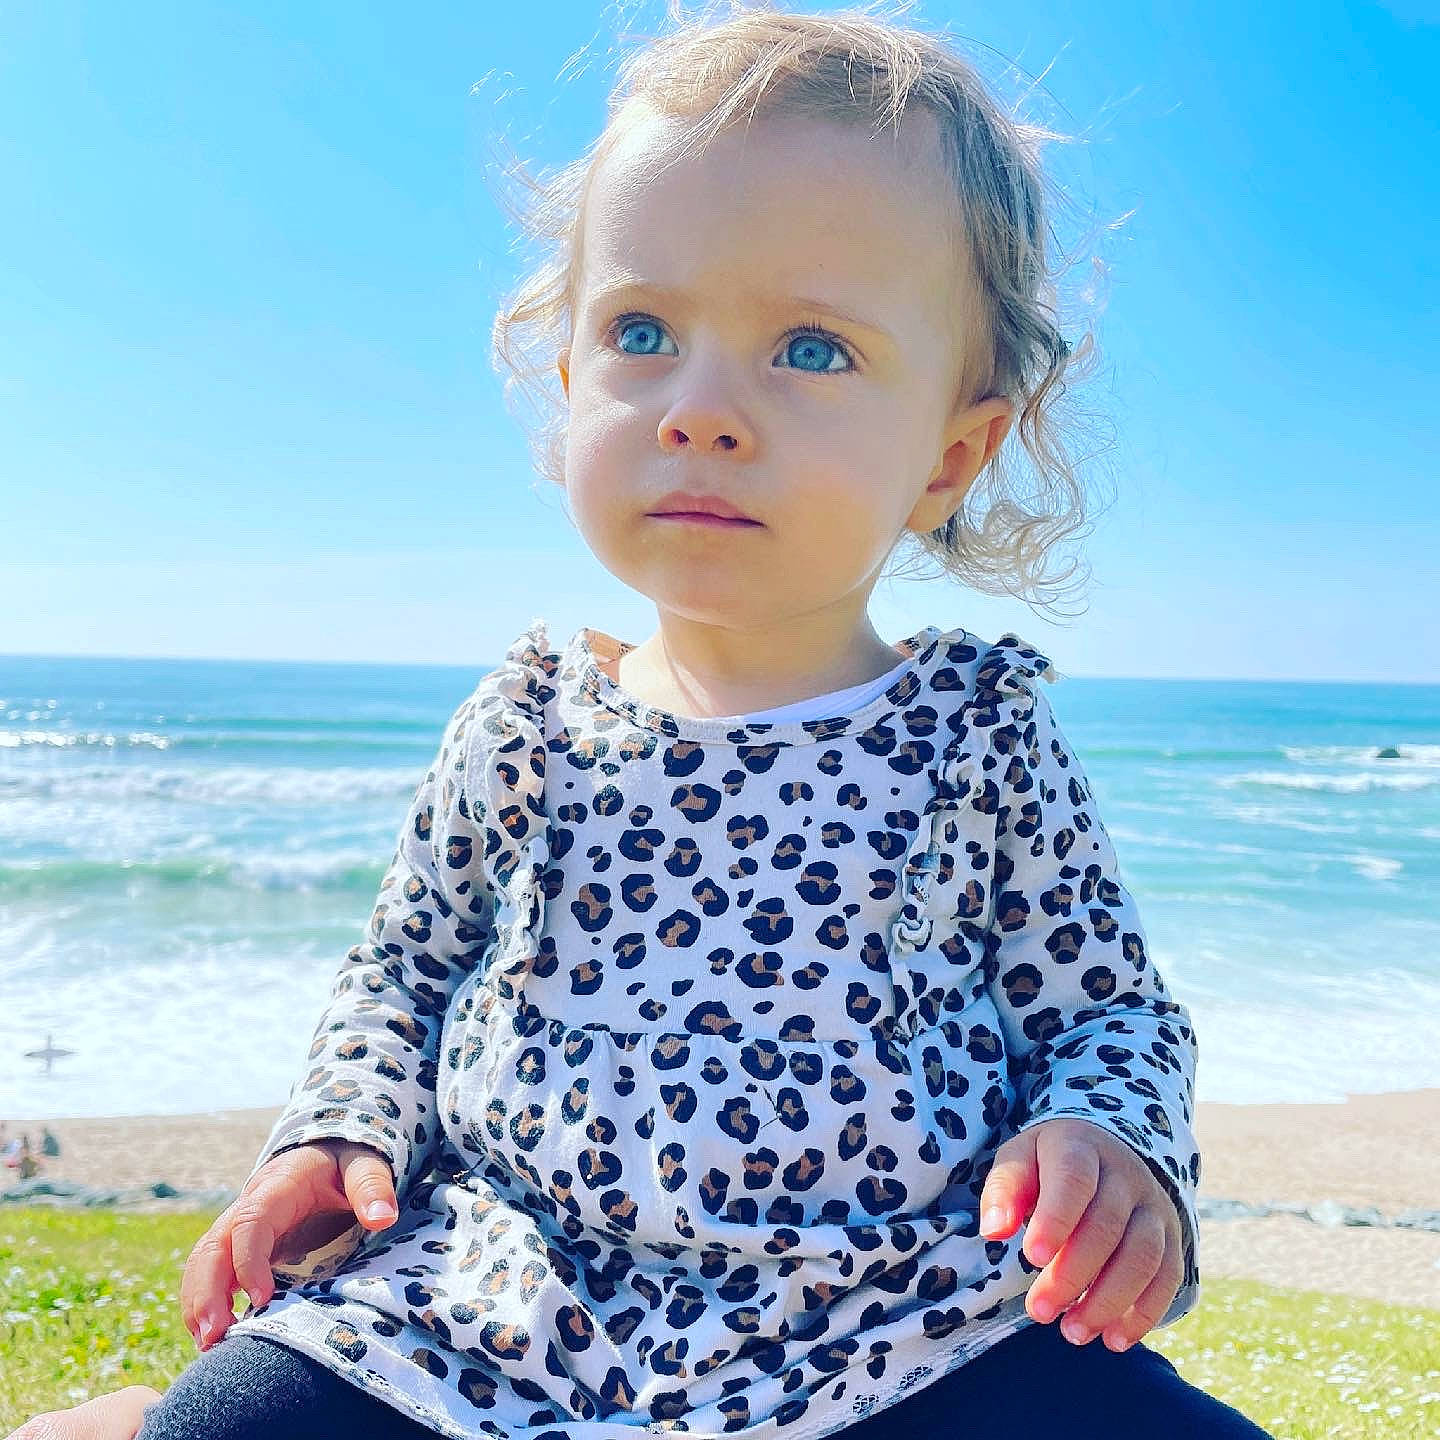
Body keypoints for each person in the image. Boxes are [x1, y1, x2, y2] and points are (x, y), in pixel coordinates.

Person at [7, 6, 1274, 1439]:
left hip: (901, 1321)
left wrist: (1108, 1143)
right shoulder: (528, 719)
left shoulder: (978, 732)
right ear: (569, 378)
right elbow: (399, 978)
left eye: (810, 347)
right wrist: (339, 1132)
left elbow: (1105, 1005)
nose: (702, 409)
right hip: (499, 1304)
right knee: (219, 1426)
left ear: (952, 451)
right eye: (644, 331)